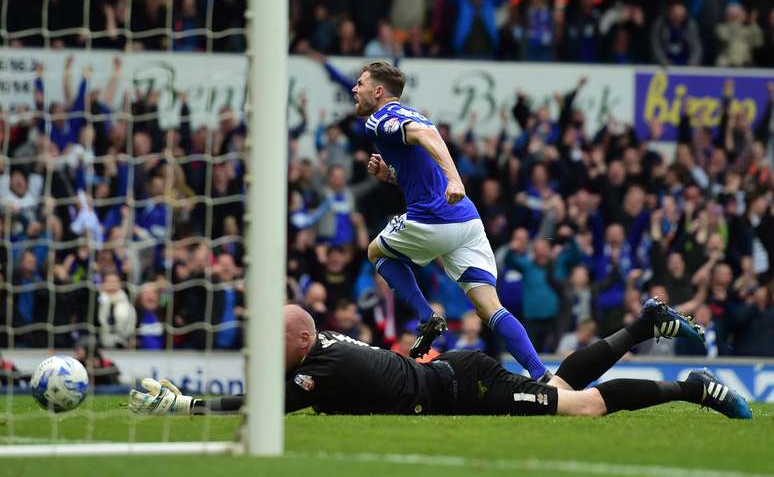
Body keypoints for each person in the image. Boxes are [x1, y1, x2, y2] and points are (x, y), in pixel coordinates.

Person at [128, 302, 750, 420]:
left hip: (465, 390)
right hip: (450, 371)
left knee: (580, 406)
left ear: (298, 342)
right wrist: (421, 350)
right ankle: (640, 327)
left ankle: (691, 388)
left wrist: (186, 404)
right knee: (557, 383)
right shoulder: (330, 348)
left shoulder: (320, 370)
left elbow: (262, 407)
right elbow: (395, 367)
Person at [352, 60, 546, 380]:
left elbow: (427, 134)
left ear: (378, 91)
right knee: (489, 307)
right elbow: (421, 168)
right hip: (467, 221)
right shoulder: (409, 114)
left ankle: (427, 316)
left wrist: (455, 179)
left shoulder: (379, 119)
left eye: (360, 83)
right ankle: (541, 374)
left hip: (435, 218)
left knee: (375, 251)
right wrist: (390, 175)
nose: (354, 89)